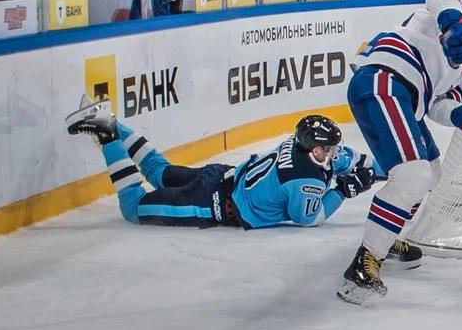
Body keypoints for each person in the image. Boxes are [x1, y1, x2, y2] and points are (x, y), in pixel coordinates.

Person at [338, 0, 462, 304]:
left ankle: (385, 237)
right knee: (413, 174)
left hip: (407, 92)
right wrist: (453, 22)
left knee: (431, 173)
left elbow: (440, 104)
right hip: (387, 78)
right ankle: (364, 265)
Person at [65, 103, 401, 242]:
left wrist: (390, 170)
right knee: (134, 207)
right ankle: (108, 132)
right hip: (207, 201)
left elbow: (348, 161)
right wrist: (342, 191)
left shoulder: (302, 147)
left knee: (158, 171)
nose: (333, 153)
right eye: (327, 149)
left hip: (220, 175)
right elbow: (309, 218)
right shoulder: (304, 183)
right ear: (313, 148)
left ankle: (107, 119)